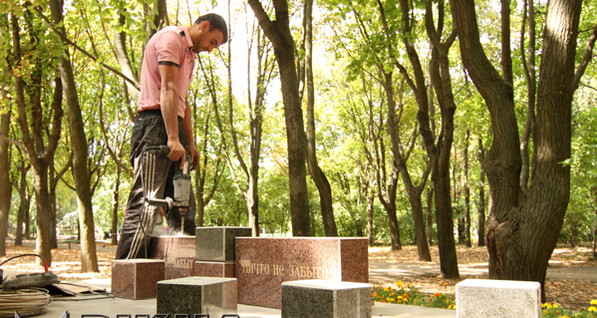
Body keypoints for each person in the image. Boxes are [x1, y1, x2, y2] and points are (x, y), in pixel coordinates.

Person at [116, 13, 228, 259]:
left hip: (174, 127)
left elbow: (182, 101)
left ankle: (184, 273)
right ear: (204, 26)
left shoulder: (190, 55)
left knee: (183, 205)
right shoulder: (171, 39)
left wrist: (190, 145)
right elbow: (167, 88)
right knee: (147, 204)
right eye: (213, 42)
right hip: (155, 124)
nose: (211, 50)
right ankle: (128, 272)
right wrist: (172, 139)